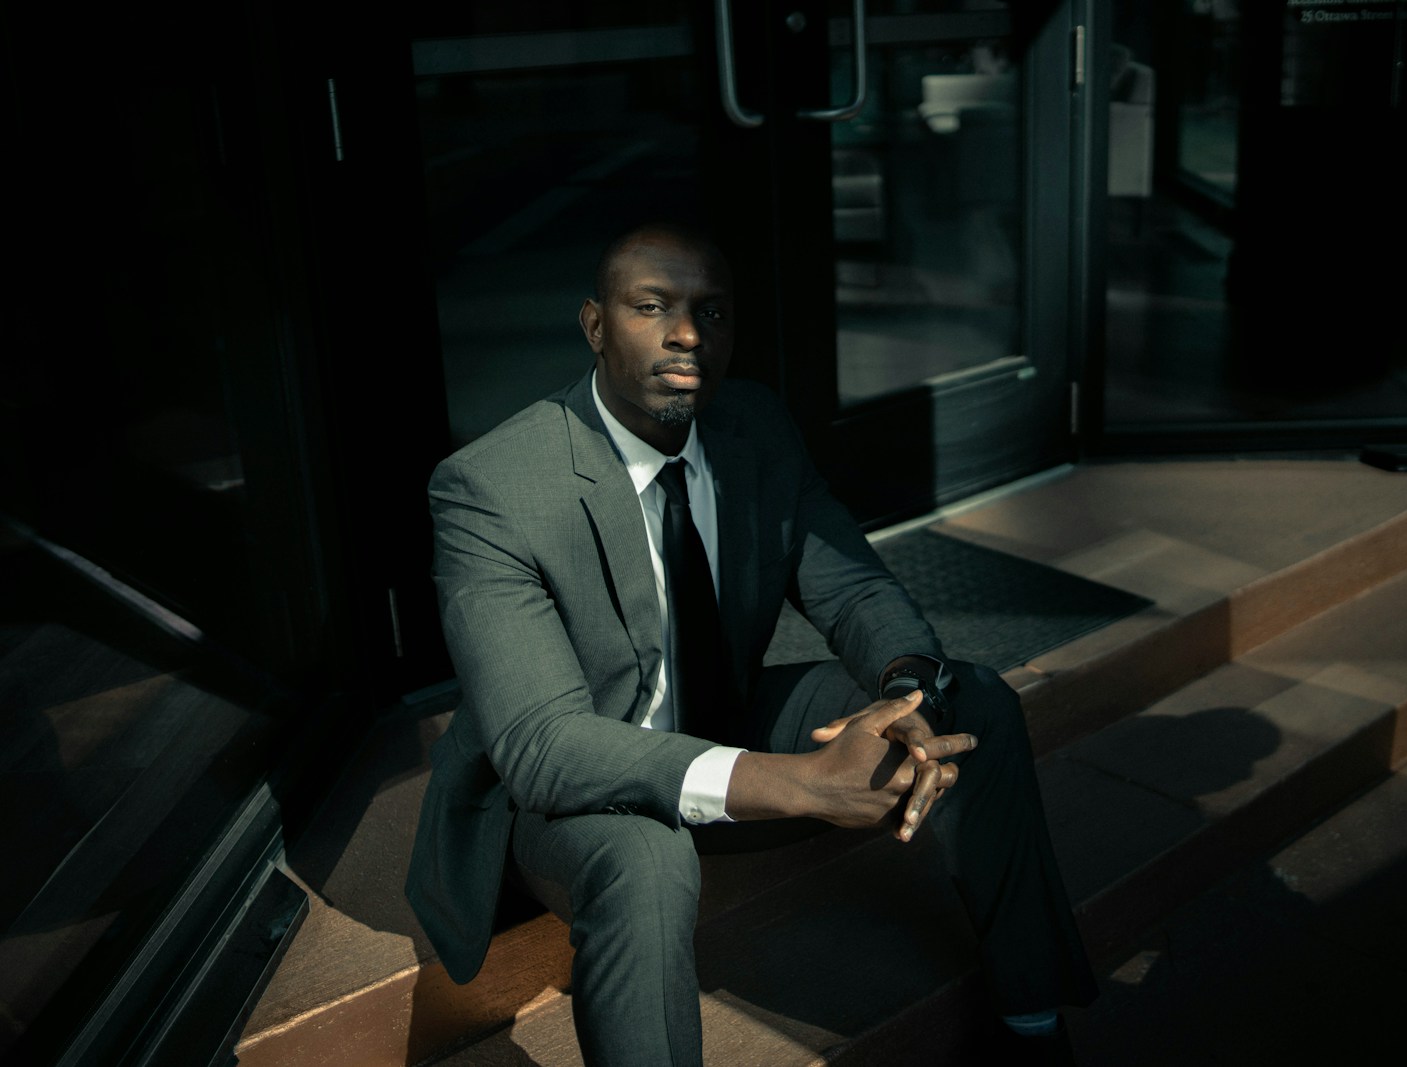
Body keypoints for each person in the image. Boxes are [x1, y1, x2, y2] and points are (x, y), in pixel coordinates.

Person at [405, 222, 1097, 1065]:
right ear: (595, 325)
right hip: (566, 792)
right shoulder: (494, 487)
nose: (687, 333)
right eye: (652, 306)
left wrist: (904, 693)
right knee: (646, 863)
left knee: (970, 701)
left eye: (711, 312)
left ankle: (1034, 1025)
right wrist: (802, 783)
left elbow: (851, 585)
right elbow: (544, 748)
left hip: (722, 719)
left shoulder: (754, 426)